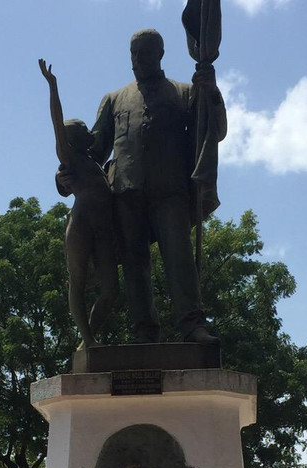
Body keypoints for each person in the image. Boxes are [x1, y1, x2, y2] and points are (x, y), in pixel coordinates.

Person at [69, 28, 226, 346]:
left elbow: (215, 131)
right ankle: (145, 331)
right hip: (125, 192)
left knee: (179, 257)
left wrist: (210, 91)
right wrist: (67, 171)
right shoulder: (114, 99)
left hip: (171, 190)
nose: (138, 59)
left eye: (145, 53)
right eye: (134, 53)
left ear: (160, 54)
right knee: (134, 263)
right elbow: (94, 150)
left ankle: (192, 325)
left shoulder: (184, 93)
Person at [38, 58, 118, 349]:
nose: (90, 133)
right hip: (82, 223)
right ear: (72, 139)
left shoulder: (95, 164)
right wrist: (53, 86)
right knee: (78, 282)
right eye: (84, 129)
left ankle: (88, 341)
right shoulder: (69, 157)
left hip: (104, 228)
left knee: (111, 289)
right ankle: (87, 339)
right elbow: (56, 123)